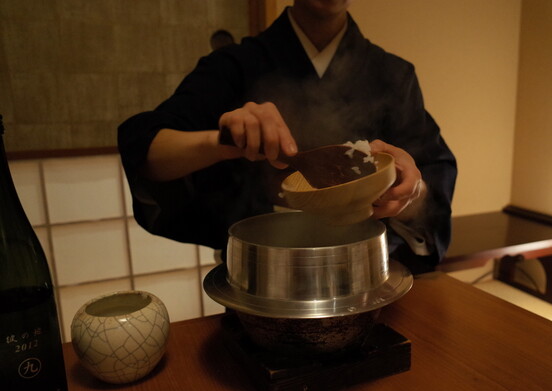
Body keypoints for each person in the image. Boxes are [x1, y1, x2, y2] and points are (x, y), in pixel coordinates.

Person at [118, 0, 457, 274]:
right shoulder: (233, 65)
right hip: (262, 278)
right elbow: (145, 149)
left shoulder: (394, 75)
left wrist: (411, 193)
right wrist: (219, 141)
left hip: (369, 272)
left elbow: (430, 186)